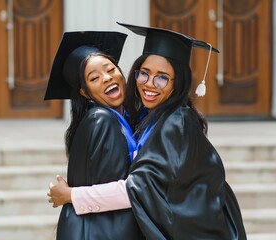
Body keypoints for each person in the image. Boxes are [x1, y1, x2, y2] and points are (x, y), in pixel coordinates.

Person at [48, 23, 247, 240]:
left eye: (162, 77)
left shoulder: (176, 123)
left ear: (178, 82)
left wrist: (70, 195)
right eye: (144, 74)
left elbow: (138, 190)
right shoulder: (146, 116)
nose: (149, 84)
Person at [44, 31, 144, 240]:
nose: (107, 78)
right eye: (94, 78)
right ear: (85, 92)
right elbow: (119, 190)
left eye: (110, 69)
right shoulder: (101, 120)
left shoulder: (119, 117)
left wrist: (70, 195)